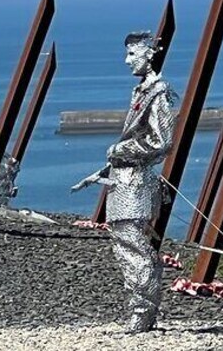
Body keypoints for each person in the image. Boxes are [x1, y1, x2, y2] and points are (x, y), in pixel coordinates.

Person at [73, 30, 176, 332]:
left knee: (132, 246)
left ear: (150, 54)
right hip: (123, 180)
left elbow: (162, 141)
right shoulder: (141, 91)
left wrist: (120, 150)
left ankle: (143, 312)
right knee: (124, 244)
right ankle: (140, 309)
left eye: (133, 54)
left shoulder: (159, 93)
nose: (127, 60)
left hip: (136, 183)